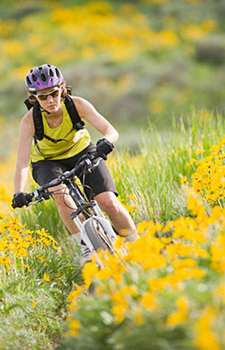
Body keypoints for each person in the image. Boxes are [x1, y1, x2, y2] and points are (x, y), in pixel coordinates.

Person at [12, 64, 138, 265]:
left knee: (108, 202)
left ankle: (137, 244)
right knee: (60, 194)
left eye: (53, 93)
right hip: (47, 162)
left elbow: (110, 130)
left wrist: (106, 142)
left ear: (61, 88)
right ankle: (86, 247)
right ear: (34, 98)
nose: (50, 100)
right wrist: (19, 193)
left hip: (82, 152)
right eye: (43, 97)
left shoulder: (77, 105)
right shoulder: (29, 121)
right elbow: (21, 163)